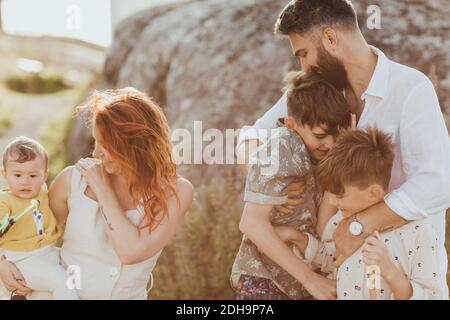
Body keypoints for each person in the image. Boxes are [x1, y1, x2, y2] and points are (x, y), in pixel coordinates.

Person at [236, 0, 450, 299]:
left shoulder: (411, 88)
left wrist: (357, 227)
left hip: (405, 275)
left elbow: (437, 184)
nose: (303, 67)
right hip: (341, 276)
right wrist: (270, 184)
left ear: (330, 39)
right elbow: (251, 137)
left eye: (304, 54)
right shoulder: (318, 91)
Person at [0, 88, 194, 299]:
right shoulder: (73, 180)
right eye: (96, 142)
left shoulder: (175, 192)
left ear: (135, 146)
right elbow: (21, 227)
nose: (96, 153)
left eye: (106, 145)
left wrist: (103, 190)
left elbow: (131, 252)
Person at [276, 128, 444, 299]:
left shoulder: (417, 232)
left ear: (373, 194)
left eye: (340, 195)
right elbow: (331, 260)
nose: (332, 202)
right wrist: (294, 236)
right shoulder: (342, 222)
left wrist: (388, 270)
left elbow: (432, 295)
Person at [231, 70, 351, 300]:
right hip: (265, 279)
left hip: (301, 279)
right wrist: (311, 279)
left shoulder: (324, 153)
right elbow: (251, 223)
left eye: (337, 136)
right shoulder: (282, 145)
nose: (330, 144)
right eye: (320, 135)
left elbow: (323, 223)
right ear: (291, 124)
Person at [0, 136, 78, 299]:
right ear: (4, 174)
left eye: (33, 176)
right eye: (18, 175)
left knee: (48, 292)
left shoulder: (42, 190)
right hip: (22, 260)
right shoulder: (5, 202)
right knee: (64, 283)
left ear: (44, 175)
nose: (25, 182)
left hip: (47, 253)